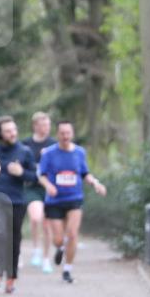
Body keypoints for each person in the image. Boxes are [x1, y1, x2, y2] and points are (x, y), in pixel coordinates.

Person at [36, 121, 107, 284]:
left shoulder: (79, 153)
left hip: (74, 198)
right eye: (62, 133)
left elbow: (85, 173)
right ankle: (60, 248)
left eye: (68, 133)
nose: (65, 136)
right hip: (54, 201)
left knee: (73, 234)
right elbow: (41, 175)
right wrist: (48, 186)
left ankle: (67, 269)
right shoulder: (49, 153)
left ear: (72, 134)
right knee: (58, 239)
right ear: (58, 134)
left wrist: (96, 183)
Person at [0, 115, 37, 293]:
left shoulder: (25, 151)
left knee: (14, 240)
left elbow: (34, 177)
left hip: (17, 201)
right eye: (8, 131)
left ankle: (11, 277)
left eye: (14, 130)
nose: (12, 133)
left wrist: (21, 172)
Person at [21, 111, 57, 272]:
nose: (46, 128)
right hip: (32, 187)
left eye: (48, 125)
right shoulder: (25, 144)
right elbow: (21, 165)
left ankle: (46, 258)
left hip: (50, 187)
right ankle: (35, 249)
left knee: (46, 224)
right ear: (35, 126)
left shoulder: (54, 144)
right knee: (36, 218)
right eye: (43, 125)